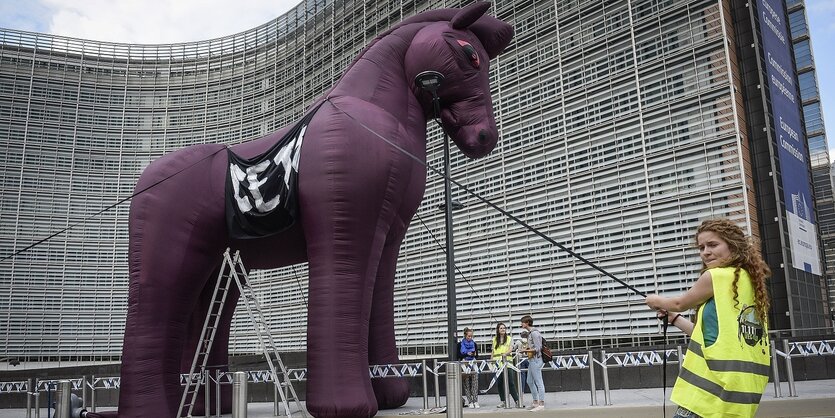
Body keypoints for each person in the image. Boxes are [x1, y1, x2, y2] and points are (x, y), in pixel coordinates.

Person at [645, 218, 771, 418]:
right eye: (701, 247)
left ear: (733, 245)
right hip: (740, 391)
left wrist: (655, 300)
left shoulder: (716, 276)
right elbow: (707, 335)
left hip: (707, 394)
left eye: (713, 245)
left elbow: (679, 303)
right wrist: (675, 319)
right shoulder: (750, 283)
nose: (705, 252)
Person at [491, 322, 519, 408]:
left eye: (504, 328)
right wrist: (491, 362)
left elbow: (511, 349)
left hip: (507, 363)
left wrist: (505, 354)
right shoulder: (494, 339)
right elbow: (493, 351)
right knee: (499, 383)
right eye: (501, 328)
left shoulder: (510, 338)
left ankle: (517, 400)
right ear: (498, 330)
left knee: (511, 382)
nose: (503, 329)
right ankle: (503, 401)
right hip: (498, 364)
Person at [520, 315, 545, 411]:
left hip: (536, 360)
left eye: (522, 322)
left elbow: (538, 348)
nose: (521, 324)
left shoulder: (534, 333)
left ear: (527, 323)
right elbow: (534, 347)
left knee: (539, 381)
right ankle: (535, 402)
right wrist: (527, 349)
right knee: (529, 381)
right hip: (532, 360)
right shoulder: (530, 333)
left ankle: (541, 404)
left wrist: (527, 351)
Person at [459, 327, 480, 408]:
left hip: (473, 362)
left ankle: (475, 401)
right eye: (468, 336)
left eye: (471, 336)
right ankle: (470, 401)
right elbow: (459, 355)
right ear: (465, 335)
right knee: (466, 383)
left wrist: (473, 354)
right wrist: (467, 354)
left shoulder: (474, 344)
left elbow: (477, 355)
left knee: (475, 382)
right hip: (464, 363)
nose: (470, 338)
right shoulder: (460, 344)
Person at [512, 330, 530, 394]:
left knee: (522, 375)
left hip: (520, 359)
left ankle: (522, 391)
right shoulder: (529, 341)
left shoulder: (518, 341)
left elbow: (513, 349)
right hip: (528, 359)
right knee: (532, 374)